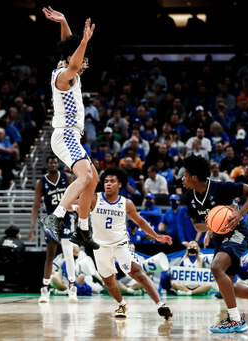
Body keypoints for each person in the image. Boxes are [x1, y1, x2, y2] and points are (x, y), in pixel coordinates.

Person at [182, 155, 248, 333]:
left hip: (237, 232)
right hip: (221, 238)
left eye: (184, 175)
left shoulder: (220, 187)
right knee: (227, 287)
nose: (182, 179)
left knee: (216, 268)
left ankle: (236, 320)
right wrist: (211, 226)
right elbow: (196, 224)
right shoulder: (189, 197)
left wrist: (240, 213)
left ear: (195, 177)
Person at [39, 14, 99, 251]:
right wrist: (84, 41)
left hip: (70, 135)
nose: (85, 63)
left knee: (93, 179)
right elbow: (74, 60)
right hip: (65, 135)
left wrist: (64, 22)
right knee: (84, 177)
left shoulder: (64, 67)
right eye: (84, 59)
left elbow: (68, 48)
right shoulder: (65, 76)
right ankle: (56, 216)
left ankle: (83, 230)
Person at [85, 167, 173, 319]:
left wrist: (156, 236)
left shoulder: (126, 203)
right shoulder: (94, 198)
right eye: (106, 181)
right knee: (110, 283)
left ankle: (160, 304)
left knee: (138, 272)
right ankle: (121, 304)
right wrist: (68, 207)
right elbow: (77, 203)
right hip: (100, 246)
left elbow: (140, 221)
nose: (108, 184)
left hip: (121, 244)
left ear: (120, 184)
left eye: (112, 181)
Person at [29, 156, 79, 302]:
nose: (53, 164)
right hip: (52, 219)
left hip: (67, 217)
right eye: (51, 162)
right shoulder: (41, 183)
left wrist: (77, 212)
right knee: (50, 255)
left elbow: (76, 196)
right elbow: (36, 206)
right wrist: (33, 226)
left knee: (68, 251)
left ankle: (72, 286)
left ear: (58, 164)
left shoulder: (68, 177)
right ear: (47, 165)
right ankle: (45, 288)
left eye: (56, 162)